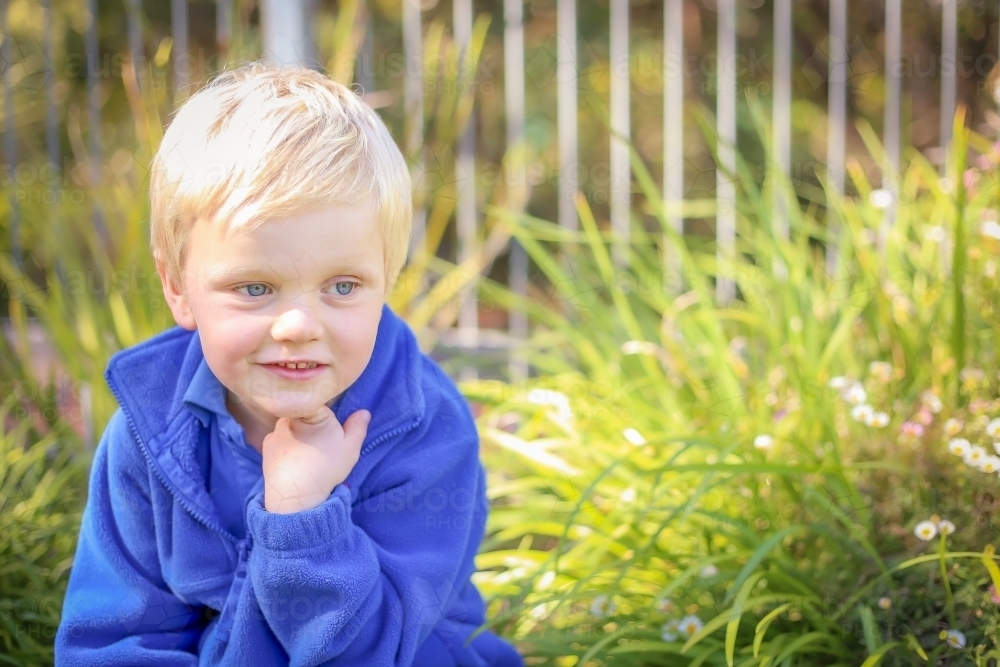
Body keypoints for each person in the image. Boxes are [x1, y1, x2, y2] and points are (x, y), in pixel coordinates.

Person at [54, 62, 524, 667]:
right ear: (177, 287)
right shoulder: (148, 437)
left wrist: (303, 517)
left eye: (344, 285)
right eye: (254, 288)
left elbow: (375, 652)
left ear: (388, 280)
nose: (299, 326)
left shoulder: (424, 432)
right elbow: (114, 642)